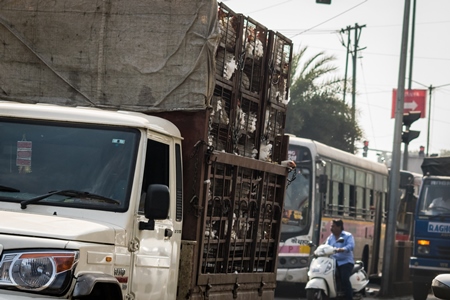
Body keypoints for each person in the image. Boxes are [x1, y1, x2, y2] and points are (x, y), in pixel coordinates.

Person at [325, 219, 355, 300]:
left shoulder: (347, 236)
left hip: (345, 262)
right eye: (331, 226)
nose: (331, 228)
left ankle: (349, 298)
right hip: (333, 262)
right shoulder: (330, 238)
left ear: (339, 227)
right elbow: (326, 247)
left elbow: (351, 246)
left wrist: (342, 249)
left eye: (333, 226)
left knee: (344, 279)